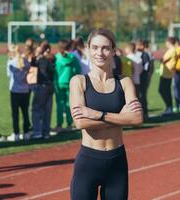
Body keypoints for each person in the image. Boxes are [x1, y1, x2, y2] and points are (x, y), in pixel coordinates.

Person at [69, 28, 143, 200]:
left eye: (105, 48)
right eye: (94, 48)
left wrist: (98, 114)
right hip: (88, 161)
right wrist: (121, 118)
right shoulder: (79, 82)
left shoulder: (125, 83)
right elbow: (80, 123)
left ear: (113, 50)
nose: (99, 53)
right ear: (88, 49)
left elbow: (137, 118)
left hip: (116, 161)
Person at [53, 39, 81, 132]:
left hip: (59, 84)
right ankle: (69, 124)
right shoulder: (73, 58)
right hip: (70, 83)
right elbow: (78, 71)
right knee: (69, 105)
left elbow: (54, 72)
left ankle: (59, 125)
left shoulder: (56, 58)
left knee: (60, 104)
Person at [31, 41, 55, 139]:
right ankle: (46, 132)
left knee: (36, 109)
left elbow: (41, 72)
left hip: (42, 86)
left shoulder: (41, 60)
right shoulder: (51, 58)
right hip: (51, 86)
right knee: (47, 110)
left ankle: (37, 132)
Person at [7, 45, 31, 141]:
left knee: (15, 113)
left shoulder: (11, 62)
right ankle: (26, 133)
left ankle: (16, 133)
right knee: (25, 113)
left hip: (15, 91)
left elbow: (9, 74)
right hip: (25, 90)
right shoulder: (26, 62)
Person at [159, 37, 177, 115]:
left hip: (167, 74)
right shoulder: (172, 50)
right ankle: (169, 107)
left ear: (169, 42)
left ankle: (169, 107)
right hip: (167, 73)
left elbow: (163, 60)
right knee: (165, 90)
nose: (165, 44)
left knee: (163, 90)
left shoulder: (171, 50)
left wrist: (161, 60)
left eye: (166, 42)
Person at [136, 39, 151, 119]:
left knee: (143, 95)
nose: (137, 47)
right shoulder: (137, 54)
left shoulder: (145, 54)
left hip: (143, 77)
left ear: (142, 46)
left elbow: (146, 66)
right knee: (138, 95)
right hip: (138, 78)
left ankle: (145, 113)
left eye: (138, 45)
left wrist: (141, 72)